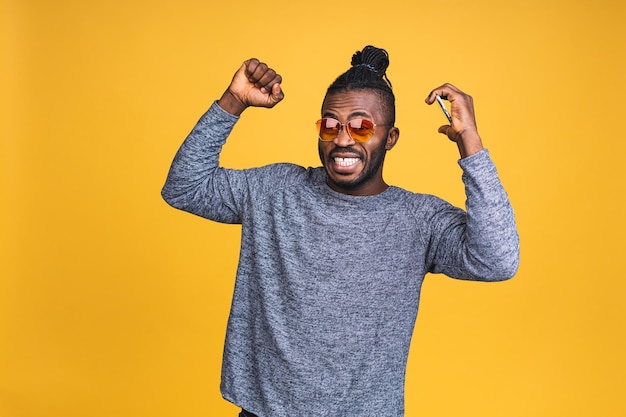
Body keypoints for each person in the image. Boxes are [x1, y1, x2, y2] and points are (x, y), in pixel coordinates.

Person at [162, 45, 520, 417]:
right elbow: (184, 188)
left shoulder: (418, 219)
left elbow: (497, 260)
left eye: (362, 126)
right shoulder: (274, 191)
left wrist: (470, 142)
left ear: (391, 137)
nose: (343, 140)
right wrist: (233, 101)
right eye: (330, 125)